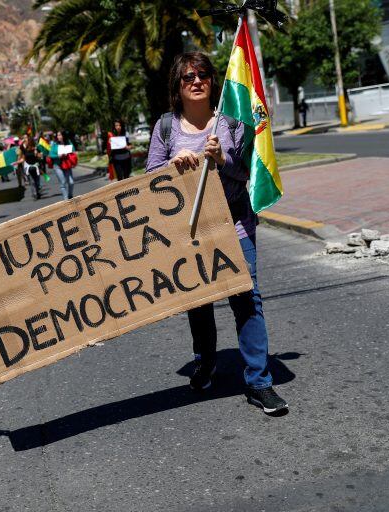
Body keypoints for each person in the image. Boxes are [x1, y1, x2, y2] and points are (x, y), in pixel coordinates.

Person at [145, 52, 288, 415]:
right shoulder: (166, 127)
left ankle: (259, 382)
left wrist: (224, 160)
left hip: (234, 225)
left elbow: (249, 177)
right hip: (189, 232)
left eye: (203, 75)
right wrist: (171, 167)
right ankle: (205, 362)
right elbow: (150, 179)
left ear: (212, 81)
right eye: (188, 76)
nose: (196, 81)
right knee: (199, 301)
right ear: (178, 86)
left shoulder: (232, 124)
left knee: (247, 301)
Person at [50, 131, 75, 200]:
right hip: (58, 166)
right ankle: (66, 199)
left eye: (60, 135)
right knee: (63, 182)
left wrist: (68, 153)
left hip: (67, 165)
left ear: (63, 136)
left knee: (71, 182)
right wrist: (58, 156)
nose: (58, 137)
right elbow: (51, 155)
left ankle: (70, 195)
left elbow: (73, 150)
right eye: (57, 135)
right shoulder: (55, 144)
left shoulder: (68, 142)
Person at [17, 134, 42, 199]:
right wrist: (17, 162)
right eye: (24, 138)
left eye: (27, 138)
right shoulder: (23, 148)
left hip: (36, 166)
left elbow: (40, 156)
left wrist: (37, 154)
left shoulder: (35, 148)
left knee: (37, 181)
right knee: (32, 181)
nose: (25, 140)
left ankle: (38, 191)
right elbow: (23, 158)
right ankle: (34, 193)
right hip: (28, 166)